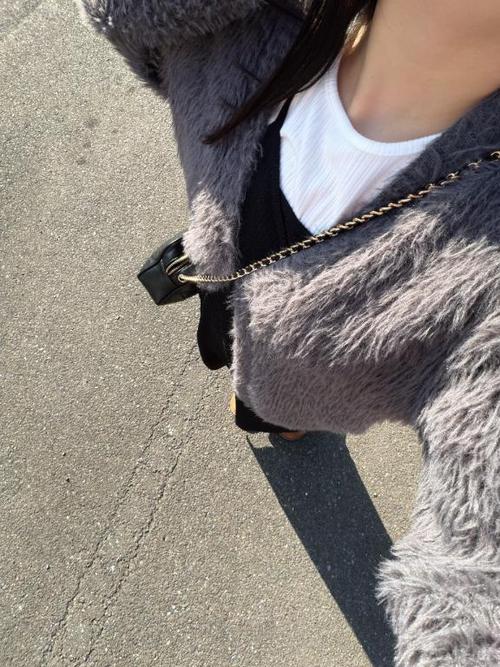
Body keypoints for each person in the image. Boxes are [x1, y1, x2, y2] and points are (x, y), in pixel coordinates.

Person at [79, 0, 500, 664]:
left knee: (271, 402)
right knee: (227, 344)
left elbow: (477, 584)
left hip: (304, 380)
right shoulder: (237, 26)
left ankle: (278, 417)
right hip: (223, 282)